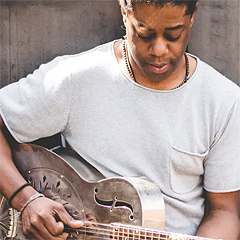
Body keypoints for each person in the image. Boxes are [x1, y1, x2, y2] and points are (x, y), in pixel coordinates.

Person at [0, 0, 239, 239]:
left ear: (192, 15)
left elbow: (224, 210)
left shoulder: (223, 101)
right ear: (125, 12)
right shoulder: (77, 79)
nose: (158, 50)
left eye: (173, 36)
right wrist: (26, 198)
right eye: (144, 34)